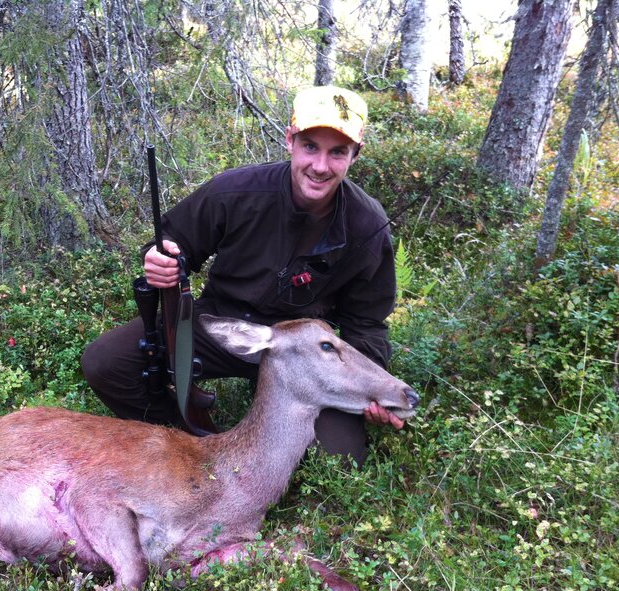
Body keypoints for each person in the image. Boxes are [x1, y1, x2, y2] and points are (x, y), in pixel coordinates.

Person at [82, 85, 404, 466]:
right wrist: (162, 256)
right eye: (310, 146)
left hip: (301, 351)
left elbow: (367, 321)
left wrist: (369, 380)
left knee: (340, 456)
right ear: (290, 140)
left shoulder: (368, 224)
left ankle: (277, 413)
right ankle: (184, 439)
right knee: (105, 362)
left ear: (355, 154)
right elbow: (173, 238)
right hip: (219, 328)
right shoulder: (235, 191)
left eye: (337, 152)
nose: (320, 165)